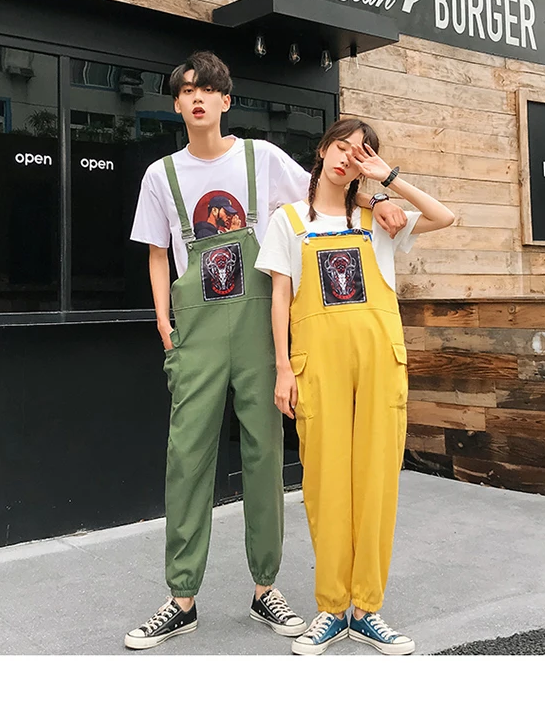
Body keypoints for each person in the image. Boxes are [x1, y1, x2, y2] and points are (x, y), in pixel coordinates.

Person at [125, 53, 408, 649]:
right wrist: (164, 324)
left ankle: (265, 589)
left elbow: (322, 195)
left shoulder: (263, 158)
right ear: (176, 104)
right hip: (196, 329)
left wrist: (377, 200)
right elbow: (157, 252)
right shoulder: (160, 175)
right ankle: (181, 597)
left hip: (259, 324)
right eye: (186, 91)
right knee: (187, 457)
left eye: (208, 89)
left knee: (265, 456)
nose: (197, 98)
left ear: (226, 100)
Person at [255, 118, 455, 655]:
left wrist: (388, 181)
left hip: (379, 361)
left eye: (360, 153)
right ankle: (330, 609)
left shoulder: (379, 217)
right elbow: (280, 298)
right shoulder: (288, 220)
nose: (348, 157)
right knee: (324, 484)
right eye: (342, 147)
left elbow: (444, 216)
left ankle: (366, 609)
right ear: (323, 150)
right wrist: (283, 368)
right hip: (317, 364)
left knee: (376, 483)